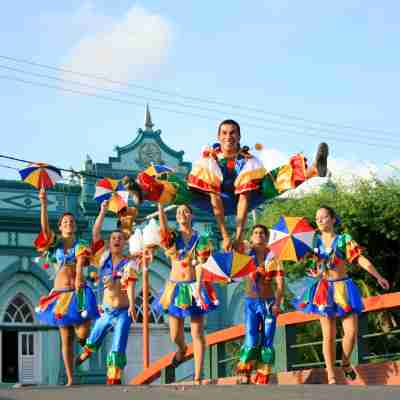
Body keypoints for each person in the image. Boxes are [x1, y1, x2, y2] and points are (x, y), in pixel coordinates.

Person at [130, 119, 329, 251]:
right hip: (215, 202)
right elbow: (215, 201)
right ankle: (145, 190)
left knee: (270, 182)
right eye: (224, 133)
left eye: (233, 133)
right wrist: (225, 235)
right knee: (184, 189)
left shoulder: (249, 161)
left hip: (244, 200)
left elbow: (244, 199)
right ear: (218, 137)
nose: (228, 137)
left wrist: (239, 235)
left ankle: (313, 170)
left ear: (239, 137)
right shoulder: (210, 160)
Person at [291, 205, 389, 384]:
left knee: (351, 333)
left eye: (324, 217)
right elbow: (316, 266)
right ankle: (331, 375)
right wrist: (317, 272)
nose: (320, 220)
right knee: (328, 335)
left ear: (333, 219)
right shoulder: (314, 242)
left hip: (344, 288)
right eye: (317, 218)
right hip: (324, 289)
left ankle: (344, 363)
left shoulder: (344, 239)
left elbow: (360, 259)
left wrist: (378, 276)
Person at [35, 188, 99, 386]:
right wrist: (44, 203)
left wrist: (80, 276)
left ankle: (86, 346)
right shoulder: (54, 245)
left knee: (83, 332)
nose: (68, 223)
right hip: (61, 295)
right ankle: (71, 379)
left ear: (74, 226)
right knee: (66, 338)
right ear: (60, 227)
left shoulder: (80, 244)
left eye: (71, 221)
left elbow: (80, 263)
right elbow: (45, 230)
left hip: (78, 292)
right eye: (65, 222)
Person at [75, 200, 142, 384]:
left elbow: (130, 284)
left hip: (122, 311)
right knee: (94, 337)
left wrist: (132, 306)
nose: (116, 241)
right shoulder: (103, 258)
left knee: (118, 344)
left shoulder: (130, 263)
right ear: (109, 242)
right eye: (113, 238)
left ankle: (114, 377)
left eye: (119, 239)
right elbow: (95, 233)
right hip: (106, 309)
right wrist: (102, 210)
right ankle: (86, 352)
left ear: (124, 242)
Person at [153, 203, 219, 384]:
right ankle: (182, 349)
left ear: (191, 216)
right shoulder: (172, 237)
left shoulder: (201, 239)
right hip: (175, 288)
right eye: (178, 212)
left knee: (197, 332)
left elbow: (200, 264)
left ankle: (198, 375)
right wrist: (160, 206)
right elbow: (163, 228)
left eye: (185, 211)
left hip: (193, 286)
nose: (182, 214)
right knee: (175, 334)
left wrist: (197, 287)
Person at [236, 225, 284, 384]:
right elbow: (232, 245)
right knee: (251, 336)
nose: (259, 235)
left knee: (268, 339)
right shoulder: (245, 254)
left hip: (269, 303)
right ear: (251, 236)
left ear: (267, 237)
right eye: (255, 233)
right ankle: (245, 371)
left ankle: (263, 374)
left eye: (262, 233)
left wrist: (277, 304)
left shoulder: (274, 257)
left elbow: (280, 283)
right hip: (251, 303)